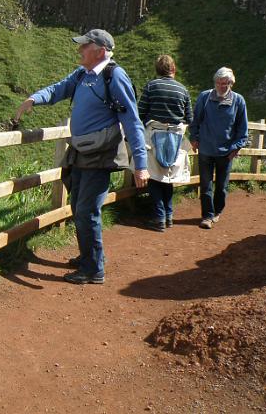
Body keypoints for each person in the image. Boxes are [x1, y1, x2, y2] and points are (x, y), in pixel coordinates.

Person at [14, 29, 148, 284]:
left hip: (102, 154)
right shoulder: (82, 75)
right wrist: (34, 99)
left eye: (84, 46)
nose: (79, 50)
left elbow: (132, 121)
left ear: (99, 51)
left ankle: (93, 269)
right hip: (81, 150)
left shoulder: (114, 77)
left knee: (86, 210)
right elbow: (59, 89)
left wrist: (140, 164)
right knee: (79, 206)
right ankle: (89, 256)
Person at [138, 55, 193, 231]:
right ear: (173, 69)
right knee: (168, 178)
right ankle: (169, 216)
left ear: (157, 69)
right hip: (176, 138)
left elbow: (140, 112)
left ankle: (159, 218)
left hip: (154, 135)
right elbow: (189, 118)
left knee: (154, 177)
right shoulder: (183, 90)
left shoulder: (151, 86)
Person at [189, 67, 248, 229]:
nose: (222, 86)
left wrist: (235, 148)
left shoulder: (238, 101)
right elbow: (195, 121)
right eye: (219, 83)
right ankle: (207, 216)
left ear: (231, 83)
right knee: (206, 185)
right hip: (206, 149)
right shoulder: (204, 97)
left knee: (222, 187)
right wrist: (193, 138)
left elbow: (243, 129)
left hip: (226, 152)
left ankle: (217, 212)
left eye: (225, 83)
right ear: (215, 82)